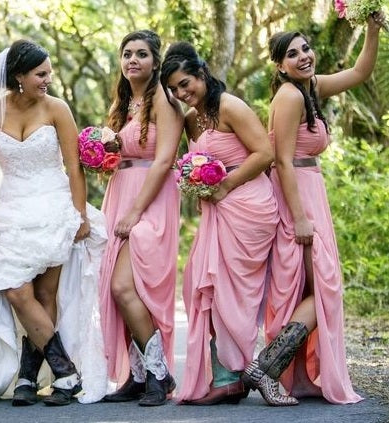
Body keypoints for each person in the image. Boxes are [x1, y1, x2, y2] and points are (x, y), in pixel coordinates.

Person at [0, 39, 108, 407]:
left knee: (44, 295)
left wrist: (80, 214)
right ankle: (66, 372)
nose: (47, 79)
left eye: (49, 73)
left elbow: (73, 166)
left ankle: (27, 377)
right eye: (41, 74)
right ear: (19, 76)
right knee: (15, 291)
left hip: (53, 206)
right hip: (11, 210)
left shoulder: (57, 109)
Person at [243, 13, 384, 406]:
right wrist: (300, 217)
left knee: (314, 287)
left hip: (311, 190)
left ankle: (278, 372)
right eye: (293, 53)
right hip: (297, 198)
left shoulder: (311, 87)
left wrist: (371, 29)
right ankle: (267, 367)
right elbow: (283, 161)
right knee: (325, 287)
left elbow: (358, 72)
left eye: (306, 48)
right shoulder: (289, 97)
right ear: (280, 65)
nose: (304, 56)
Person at [160, 42, 278, 405]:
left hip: (248, 207)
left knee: (231, 295)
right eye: (175, 89)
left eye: (186, 83)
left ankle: (232, 376)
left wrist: (225, 184)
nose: (182, 93)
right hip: (217, 211)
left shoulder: (230, 106)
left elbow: (265, 153)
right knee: (202, 286)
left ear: (201, 74)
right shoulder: (192, 118)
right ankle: (226, 375)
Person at [99, 30, 183, 407]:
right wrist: (106, 151)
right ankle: (138, 375)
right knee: (119, 291)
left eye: (142, 54)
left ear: (155, 61)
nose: (133, 60)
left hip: (151, 201)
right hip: (121, 193)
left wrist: (135, 213)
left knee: (124, 286)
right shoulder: (123, 102)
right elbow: (125, 155)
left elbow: (164, 160)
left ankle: (159, 373)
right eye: (127, 54)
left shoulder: (164, 99)